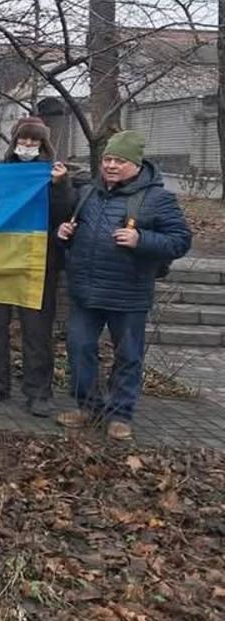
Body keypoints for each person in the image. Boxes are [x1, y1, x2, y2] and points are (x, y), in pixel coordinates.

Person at [55, 130, 191, 440]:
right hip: (86, 291)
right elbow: (75, 235)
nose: (111, 166)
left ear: (136, 164)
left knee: (128, 356)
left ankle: (121, 415)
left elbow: (181, 241)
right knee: (79, 350)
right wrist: (63, 234)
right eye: (107, 159)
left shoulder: (158, 199)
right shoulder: (88, 193)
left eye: (119, 160)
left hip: (128, 293)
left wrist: (141, 239)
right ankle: (87, 407)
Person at [0, 117, 75, 416]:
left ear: (44, 144)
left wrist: (60, 186)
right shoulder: (1, 174)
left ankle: (38, 392)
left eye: (35, 141)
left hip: (38, 263)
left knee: (36, 330)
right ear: (15, 142)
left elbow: (66, 214)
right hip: (0, 261)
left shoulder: (55, 175)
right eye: (24, 140)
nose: (29, 145)